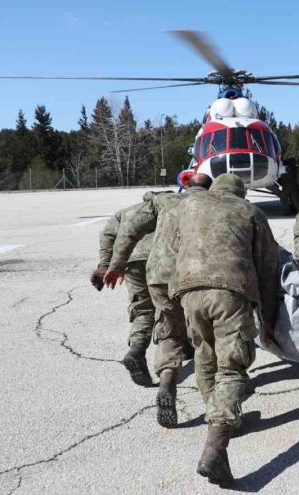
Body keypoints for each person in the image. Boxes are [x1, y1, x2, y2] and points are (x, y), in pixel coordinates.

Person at [167, 173, 279, 487]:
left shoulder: (189, 205)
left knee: (205, 354)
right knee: (232, 367)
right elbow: (268, 267)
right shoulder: (249, 212)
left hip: (188, 290)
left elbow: (173, 246)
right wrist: (269, 318)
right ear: (241, 193)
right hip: (231, 290)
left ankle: (218, 412)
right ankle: (216, 445)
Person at [104, 174, 213, 428]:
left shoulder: (162, 204)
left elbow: (125, 230)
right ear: (209, 188)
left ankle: (166, 380)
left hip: (158, 274)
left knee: (168, 331)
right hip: (191, 272)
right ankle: (219, 398)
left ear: (186, 186)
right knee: (205, 332)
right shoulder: (207, 204)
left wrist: (113, 265)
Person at [90, 202, 156, 386]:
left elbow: (108, 234)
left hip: (132, 260)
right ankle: (179, 354)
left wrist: (104, 265)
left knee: (143, 309)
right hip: (164, 260)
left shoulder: (129, 211)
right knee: (175, 309)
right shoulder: (175, 206)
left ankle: (137, 349)